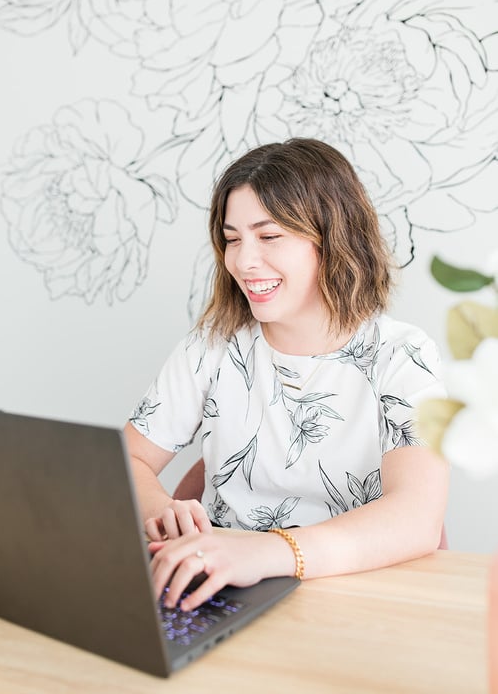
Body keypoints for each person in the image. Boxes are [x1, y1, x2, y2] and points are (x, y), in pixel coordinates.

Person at [124, 138, 449, 612]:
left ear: (332, 237)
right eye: (232, 239)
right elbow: (129, 459)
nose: (243, 261)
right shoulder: (212, 346)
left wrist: (263, 554)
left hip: (356, 598)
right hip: (223, 594)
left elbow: (417, 518)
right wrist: (163, 513)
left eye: (269, 236)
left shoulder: (402, 355)